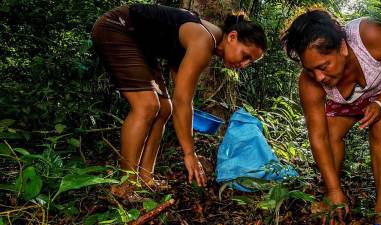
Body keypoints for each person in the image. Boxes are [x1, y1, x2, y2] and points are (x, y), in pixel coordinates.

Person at [91, 3, 266, 199]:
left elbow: (179, 96)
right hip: (117, 27)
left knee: (164, 108)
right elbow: (183, 100)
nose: (243, 65)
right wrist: (189, 154)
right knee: (147, 105)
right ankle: (126, 185)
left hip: (141, 44)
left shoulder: (206, 39)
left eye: (249, 62)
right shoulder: (204, 40)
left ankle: (146, 178)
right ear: (232, 37)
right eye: (245, 56)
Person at [281, 9, 381, 225]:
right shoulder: (310, 83)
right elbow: (319, 138)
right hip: (349, 98)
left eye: (323, 67)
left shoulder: (372, 36)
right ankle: (332, 196)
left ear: (343, 48)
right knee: (330, 132)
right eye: (310, 70)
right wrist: (334, 189)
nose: (319, 77)